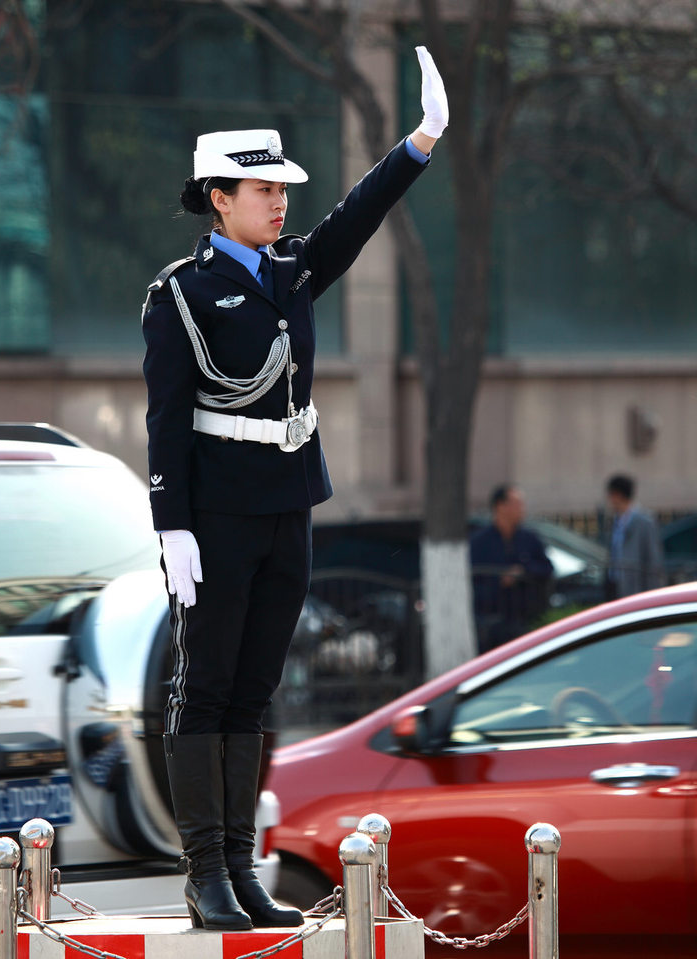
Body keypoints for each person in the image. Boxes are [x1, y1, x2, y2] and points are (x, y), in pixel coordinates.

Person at [141, 48, 448, 931]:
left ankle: (241, 865)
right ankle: (204, 872)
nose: (282, 200)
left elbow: (358, 215)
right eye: (264, 189)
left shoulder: (291, 273)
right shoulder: (181, 297)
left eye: (283, 188)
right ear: (217, 199)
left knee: (257, 687)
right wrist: (173, 525)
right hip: (215, 514)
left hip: (287, 505)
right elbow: (167, 418)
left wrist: (419, 142)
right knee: (205, 687)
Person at [470, 484, 553, 654]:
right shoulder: (479, 542)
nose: (521, 509)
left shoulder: (529, 538)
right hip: (491, 622)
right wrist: (499, 581)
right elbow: (473, 578)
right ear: (500, 506)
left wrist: (523, 571)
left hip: (524, 619)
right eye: (516, 504)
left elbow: (547, 568)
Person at [605, 474, 664, 599]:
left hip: (636, 587)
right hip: (615, 584)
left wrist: (653, 594)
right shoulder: (615, 520)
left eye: (610, 495)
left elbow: (653, 560)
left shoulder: (645, 521)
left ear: (618, 495)